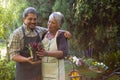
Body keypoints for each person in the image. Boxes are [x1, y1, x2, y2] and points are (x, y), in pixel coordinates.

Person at [8, 7, 71, 80]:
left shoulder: (39, 30)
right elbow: (13, 55)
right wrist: (26, 59)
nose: (33, 21)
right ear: (23, 19)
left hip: (38, 74)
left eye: (35, 19)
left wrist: (66, 32)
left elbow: (53, 29)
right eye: (30, 19)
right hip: (23, 74)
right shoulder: (17, 34)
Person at [37, 12, 69, 80]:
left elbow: (63, 53)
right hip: (44, 71)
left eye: (53, 23)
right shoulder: (44, 34)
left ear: (59, 25)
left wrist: (46, 53)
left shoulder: (61, 36)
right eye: (49, 21)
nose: (49, 24)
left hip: (56, 73)